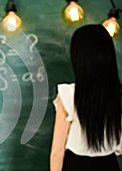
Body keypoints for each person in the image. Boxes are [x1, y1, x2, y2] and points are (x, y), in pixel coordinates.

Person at [50, 24, 122, 171]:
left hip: (76, 165)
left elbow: (57, 153)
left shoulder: (69, 94)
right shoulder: (118, 95)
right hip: (109, 165)